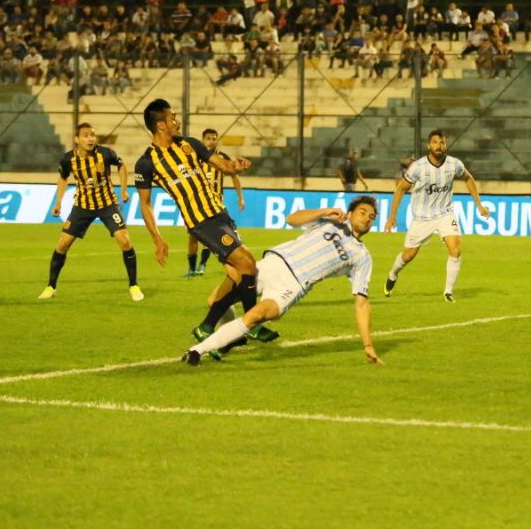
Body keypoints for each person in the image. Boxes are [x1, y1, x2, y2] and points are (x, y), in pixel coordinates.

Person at [134, 99, 271, 345]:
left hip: (221, 214)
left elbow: (224, 166)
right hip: (201, 222)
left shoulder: (190, 144)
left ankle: (209, 328)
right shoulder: (146, 163)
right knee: (248, 264)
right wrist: (158, 239)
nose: (177, 121)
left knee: (238, 274)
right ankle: (250, 324)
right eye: (172, 117)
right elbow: (145, 204)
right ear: (160, 125)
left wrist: (236, 166)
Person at [183, 198, 383, 366]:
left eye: (372, 217)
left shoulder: (362, 257)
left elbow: (362, 303)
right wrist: (324, 211)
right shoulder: (330, 222)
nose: (367, 218)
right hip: (273, 263)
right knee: (215, 300)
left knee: (256, 316)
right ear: (350, 213)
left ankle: (196, 351)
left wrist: (368, 345)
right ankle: (233, 338)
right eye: (363, 212)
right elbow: (292, 219)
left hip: (293, 285)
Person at [38, 123, 142, 302]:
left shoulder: (105, 154)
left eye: (92, 135)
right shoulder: (68, 159)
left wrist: (124, 190)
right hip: (82, 206)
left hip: (107, 204)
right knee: (63, 244)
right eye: (85, 135)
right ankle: (51, 286)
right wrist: (58, 202)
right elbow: (63, 178)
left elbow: (121, 166)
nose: (90, 139)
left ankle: (134, 285)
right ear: (77, 139)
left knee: (124, 240)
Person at [382, 129, 489, 303]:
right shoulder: (418, 167)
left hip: (445, 213)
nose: (438, 146)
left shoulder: (454, 164)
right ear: (428, 145)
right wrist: (392, 216)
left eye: (442, 142)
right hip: (422, 217)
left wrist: (479, 204)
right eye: (435, 142)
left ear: (446, 145)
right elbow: (401, 189)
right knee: (409, 255)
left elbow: (468, 178)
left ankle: (448, 292)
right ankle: (393, 273)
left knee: (455, 249)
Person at [185, 128, 245, 278]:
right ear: (203, 140)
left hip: (215, 203)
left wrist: (240, 197)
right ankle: (191, 268)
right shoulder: (195, 157)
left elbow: (234, 175)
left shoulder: (222, 157)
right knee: (193, 236)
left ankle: (202, 264)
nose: (212, 141)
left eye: (214, 138)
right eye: (209, 138)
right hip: (197, 203)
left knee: (210, 235)